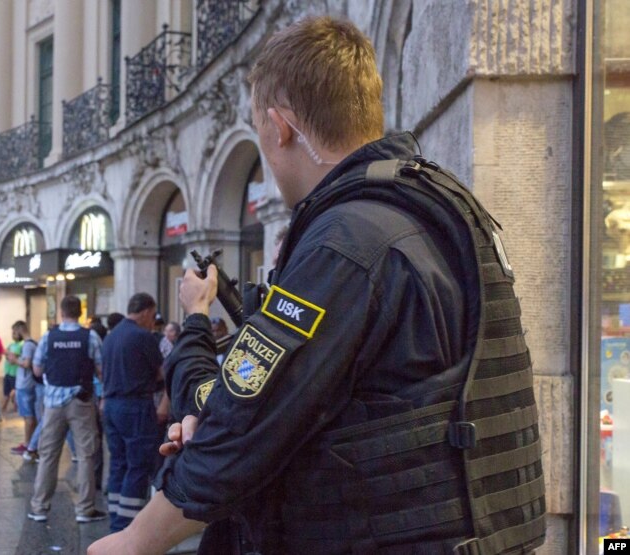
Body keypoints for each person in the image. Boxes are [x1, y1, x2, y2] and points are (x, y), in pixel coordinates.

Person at [89, 16, 544, 555]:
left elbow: (241, 422)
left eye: (261, 138)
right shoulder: (432, 209)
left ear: (280, 127)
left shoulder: (345, 243)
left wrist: (135, 540)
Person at [27, 295, 107, 524]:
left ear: (61, 313)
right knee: (85, 456)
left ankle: (39, 507)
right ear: (80, 312)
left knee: (48, 456)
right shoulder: (90, 336)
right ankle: (85, 509)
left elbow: (37, 369)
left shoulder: (49, 337)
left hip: (53, 404)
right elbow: (101, 371)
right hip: (81, 402)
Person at [100, 293, 167, 532]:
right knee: (138, 465)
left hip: (111, 406)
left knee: (118, 463)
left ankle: (115, 518)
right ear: (147, 312)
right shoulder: (142, 336)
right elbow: (161, 373)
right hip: (135, 406)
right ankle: (127, 526)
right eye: (153, 316)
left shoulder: (111, 336)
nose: (153, 321)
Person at [9, 321, 38, 455]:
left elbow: (26, 364)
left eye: (15, 332)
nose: (14, 335)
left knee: (28, 416)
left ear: (20, 330)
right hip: (28, 384)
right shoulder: (32, 344)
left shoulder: (27, 345)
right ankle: (31, 443)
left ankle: (28, 444)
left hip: (25, 385)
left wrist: (15, 360)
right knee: (29, 416)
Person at [2, 332, 21, 414]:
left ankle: (15, 408)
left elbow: (13, 359)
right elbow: (5, 352)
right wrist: (10, 354)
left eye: (15, 333)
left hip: (15, 372)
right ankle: (4, 407)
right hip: (8, 371)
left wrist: (9, 354)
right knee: (7, 391)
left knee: (14, 391)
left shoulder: (21, 345)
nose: (13, 335)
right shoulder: (11, 344)